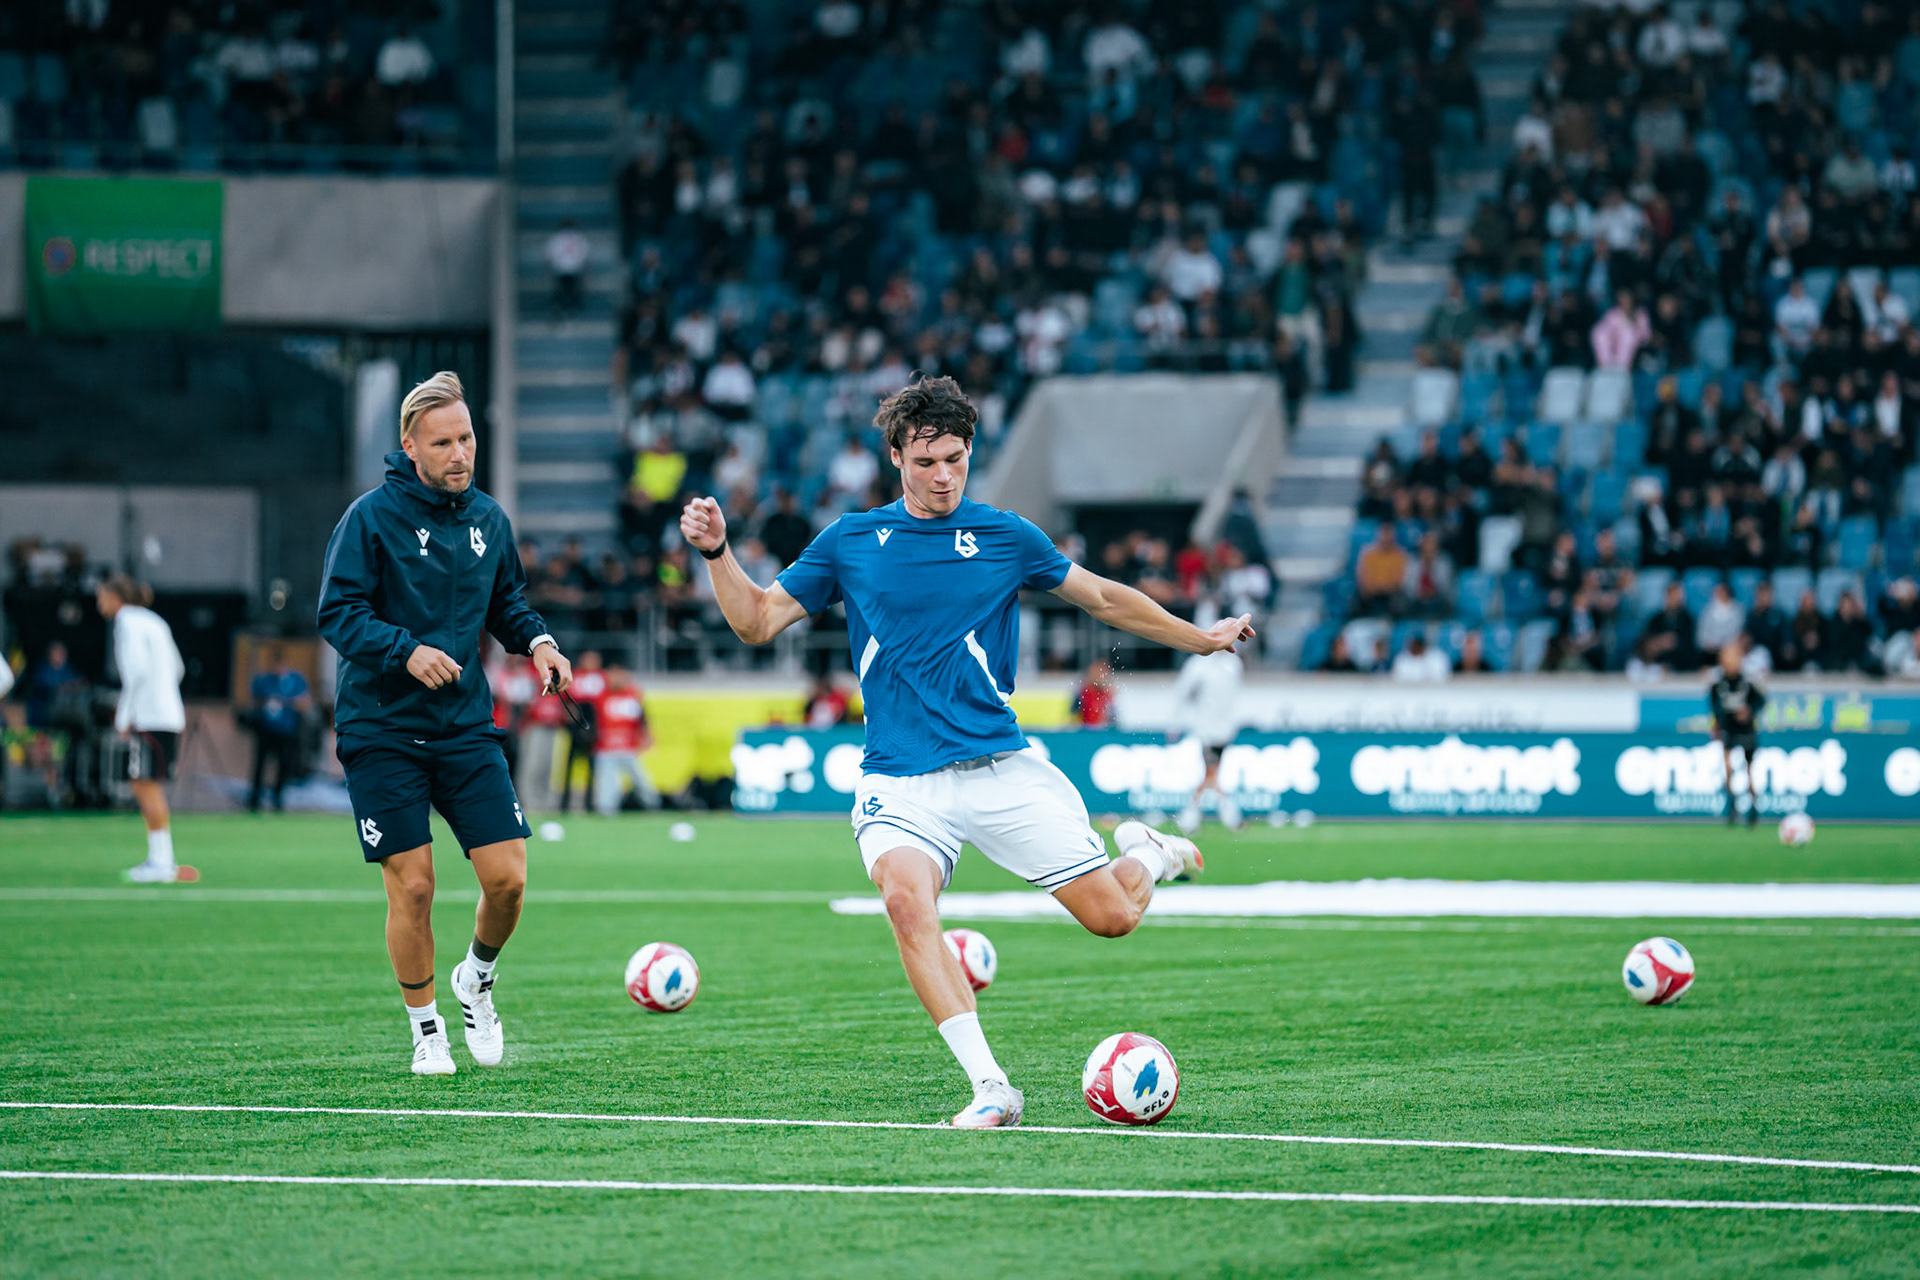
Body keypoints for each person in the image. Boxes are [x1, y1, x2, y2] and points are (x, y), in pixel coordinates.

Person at [679, 374, 1251, 1129]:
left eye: (955, 458)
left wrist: (1199, 637)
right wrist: (718, 552)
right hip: (900, 782)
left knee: (1113, 918)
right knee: (906, 905)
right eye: (926, 462)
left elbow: (1106, 599)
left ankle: (1147, 853)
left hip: (1000, 769)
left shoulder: (1006, 535)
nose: (943, 475)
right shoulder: (851, 542)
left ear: (970, 451)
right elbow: (755, 622)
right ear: (895, 457)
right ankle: (991, 1089)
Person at [317, 372, 574, 1077]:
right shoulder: (368, 519)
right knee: (417, 886)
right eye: (444, 442)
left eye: (467, 438)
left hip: (463, 725)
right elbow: (336, 614)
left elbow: (509, 604)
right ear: (410, 446)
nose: (460, 453)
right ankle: (426, 1028)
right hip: (381, 728)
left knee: (509, 880)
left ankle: (477, 982)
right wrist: (406, 651)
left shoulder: (489, 520)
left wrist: (541, 643)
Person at [97, 575, 191, 883]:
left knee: (143, 783)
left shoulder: (126, 622)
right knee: (147, 783)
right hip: (169, 713)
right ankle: (163, 858)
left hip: (149, 717)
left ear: (115, 597)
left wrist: (124, 715)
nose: (99, 602)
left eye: (102, 596)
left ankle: (161, 861)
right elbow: (178, 669)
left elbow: (135, 671)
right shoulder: (155, 621)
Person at [1173, 649, 1245, 836]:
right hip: (1206, 729)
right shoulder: (1199, 665)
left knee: (1212, 773)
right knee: (1211, 771)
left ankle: (1193, 815)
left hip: (1226, 730)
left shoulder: (1233, 664)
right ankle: (1225, 815)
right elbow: (1184, 691)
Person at [1707, 642, 1765, 828]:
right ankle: (1732, 805)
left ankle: (1753, 808)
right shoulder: (1718, 684)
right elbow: (1714, 706)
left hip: (1746, 730)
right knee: (1727, 767)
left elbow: (1761, 701)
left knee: (1750, 770)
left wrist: (1749, 711)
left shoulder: (1747, 682)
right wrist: (1716, 724)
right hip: (1728, 730)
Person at [246, 646, 311, 812]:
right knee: (260, 764)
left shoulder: (295, 680)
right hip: (266, 729)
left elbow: (304, 703)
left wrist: (285, 702)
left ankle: (278, 797)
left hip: (287, 730)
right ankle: (254, 798)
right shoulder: (264, 680)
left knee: (284, 765)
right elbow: (254, 701)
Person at [590, 666, 659, 816]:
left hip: (628, 748)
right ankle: (606, 814)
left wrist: (647, 736)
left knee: (644, 785)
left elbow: (642, 718)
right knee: (607, 792)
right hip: (605, 749)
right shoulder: (600, 695)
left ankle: (654, 809)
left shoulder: (633, 694)